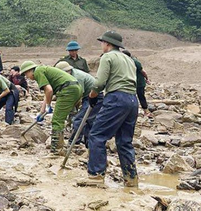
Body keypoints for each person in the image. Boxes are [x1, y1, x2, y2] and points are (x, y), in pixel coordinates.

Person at [78, 31, 139, 188]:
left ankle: (96, 175)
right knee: (125, 141)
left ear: (107, 44)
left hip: (116, 98)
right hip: (132, 99)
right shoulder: (129, 59)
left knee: (97, 135)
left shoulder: (107, 57)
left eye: (102, 43)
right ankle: (131, 179)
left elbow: (99, 83)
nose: (101, 45)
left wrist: (92, 96)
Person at [20, 61, 82, 154]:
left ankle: (57, 150)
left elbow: (49, 91)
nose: (27, 77)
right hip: (76, 88)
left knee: (57, 120)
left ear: (30, 71)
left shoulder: (38, 72)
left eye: (26, 74)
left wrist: (49, 106)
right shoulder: (44, 70)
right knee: (69, 116)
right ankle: (69, 144)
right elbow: (47, 93)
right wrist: (42, 111)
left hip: (67, 89)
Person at [55, 61, 104, 147]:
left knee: (80, 119)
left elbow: (78, 95)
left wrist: (74, 109)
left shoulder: (77, 78)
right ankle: (88, 143)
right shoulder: (70, 76)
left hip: (95, 96)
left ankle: (74, 142)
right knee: (88, 120)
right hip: (88, 96)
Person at [122, 50, 151, 118]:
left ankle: (146, 111)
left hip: (139, 83)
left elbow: (143, 71)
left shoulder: (135, 61)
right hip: (131, 82)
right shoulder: (125, 62)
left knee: (141, 96)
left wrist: (147, 79)